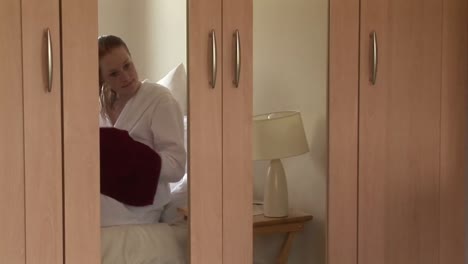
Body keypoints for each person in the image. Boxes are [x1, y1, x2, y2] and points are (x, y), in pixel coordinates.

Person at [98, 35, 186, 226]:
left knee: (78, 209)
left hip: (142, 206)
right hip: (107, 192)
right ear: (102, 79)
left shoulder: (159, 100)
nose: (126, 76)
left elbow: (177, 166)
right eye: (114, 74)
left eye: (127, 65)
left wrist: (133, 158)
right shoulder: (101, 107)